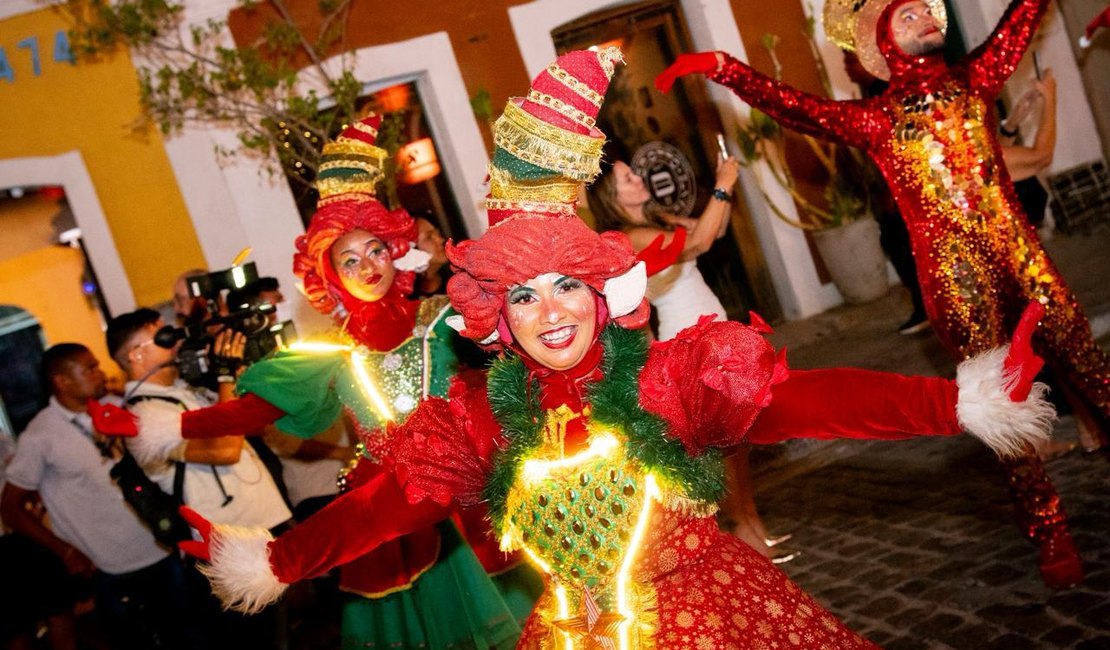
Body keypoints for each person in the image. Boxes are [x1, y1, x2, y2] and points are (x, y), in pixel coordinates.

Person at [178, 47, 1056, 650]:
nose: (549, 312)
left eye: (566, 285)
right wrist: (274, 560)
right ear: (500, 320)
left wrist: (957, 401)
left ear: (605, 297)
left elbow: (808, 401)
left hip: (708, 616)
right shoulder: (486, 416)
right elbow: (389, 506)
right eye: (524, 296)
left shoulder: (669, 380)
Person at [655, 0, 1104, 589]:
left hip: (1026, 263)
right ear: (885, 44)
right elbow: (795, 107)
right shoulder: (877, 120)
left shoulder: (975, 79)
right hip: (958, 284)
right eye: (906, 16)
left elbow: (1020, 18)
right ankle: (1048, 528)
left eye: (925, 10)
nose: (924, 17)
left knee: (1092, 368)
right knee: (998, 404)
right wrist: (724, 67)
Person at [127, 115, 533, 649]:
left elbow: (519, 347)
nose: (367, 267)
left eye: (376, 251)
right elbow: (254, 410)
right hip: (384, 505)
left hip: (471, 491)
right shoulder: (330, 353)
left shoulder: (441, 315)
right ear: (332, 278)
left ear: (396, 252)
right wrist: (171, 427)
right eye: (350, 260)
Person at [586, 150, 792, 561]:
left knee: (738, 444)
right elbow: (698, 242)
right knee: (722, 448)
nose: (638, 179)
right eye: (627, 179)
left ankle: (755, 528)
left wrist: (723, 186)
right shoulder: (630, 237)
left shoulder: (659, 219)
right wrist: (723, 185)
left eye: (633, 173)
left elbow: (714, 230)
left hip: (714, 331)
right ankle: (743, 536)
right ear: (611, 196)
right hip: (690, 343)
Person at [105, 309, 292, 649]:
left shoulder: (182, 390)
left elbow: (256, 425)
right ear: (136, 355)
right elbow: (225, 450)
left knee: (280, 631)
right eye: (163, 338)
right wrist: (224, 375)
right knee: (258, 641)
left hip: (258, 524)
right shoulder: (142, 415)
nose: (177, 343)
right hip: (228, 544)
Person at [1, 344, 186, 650]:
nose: (100, 373)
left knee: (188, 635)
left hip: (163, 546)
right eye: (90, 368)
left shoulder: (118, 406)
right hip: (110, 567)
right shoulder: (40, 434)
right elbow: (11, 507)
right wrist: (66, 552)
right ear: (62, 381)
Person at [414, 215, 451, 297]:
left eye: (438, 233)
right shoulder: (405, 298)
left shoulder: (459, 281)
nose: (441, 240)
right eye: (429, 237)